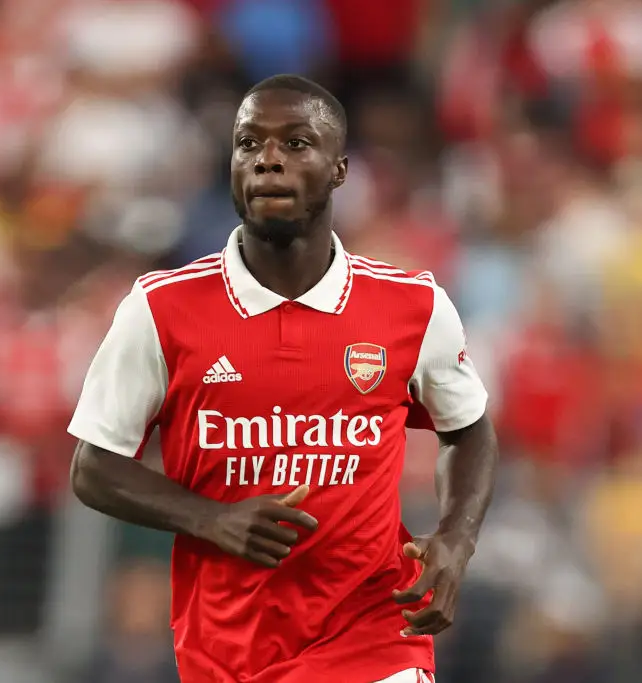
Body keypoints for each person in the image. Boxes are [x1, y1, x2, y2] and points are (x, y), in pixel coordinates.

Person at [68, 74, 498, 683]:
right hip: (226, 651)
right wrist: (208, 518)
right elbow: (93, 466)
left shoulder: (411, 306)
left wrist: (456, 539)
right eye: (249, 144)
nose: (268, 159)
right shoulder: (160, 309)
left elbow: (470, 429)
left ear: (341, 170)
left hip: (373, 633)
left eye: (296, 144)